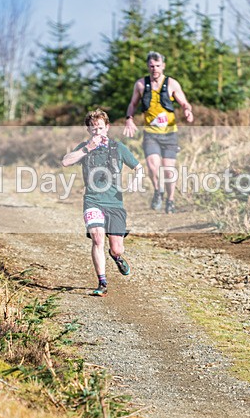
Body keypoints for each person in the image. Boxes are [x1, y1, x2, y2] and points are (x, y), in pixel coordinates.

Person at [62, 109, 143, 296]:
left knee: (117, 248)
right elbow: (65, 162)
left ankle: (116, 256)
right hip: (92, 200)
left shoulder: (118, 148)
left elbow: (139, 168)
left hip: (114, 203)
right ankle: (102, 282)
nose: (97, 132)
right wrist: (87, 148)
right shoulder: (84, 147)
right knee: (97, 238)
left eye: (100, 128)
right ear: (88, 130)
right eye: (93, 129)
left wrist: (136, 180)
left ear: (107, 128)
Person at [123, 51, 193, 214]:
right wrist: (129, 118)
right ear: (148, 66)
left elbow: (184, 102)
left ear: (163, 66)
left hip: (169, 134)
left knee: (168, 170)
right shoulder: (141, 84)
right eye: (152, 66)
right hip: (150, 134)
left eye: (158, 66)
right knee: (153, 166)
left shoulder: (172, 84)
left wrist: (187, 111)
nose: (155, 69)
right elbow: (133, 104)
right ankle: (158, 191)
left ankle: (171, 200)